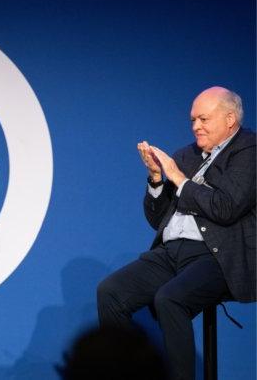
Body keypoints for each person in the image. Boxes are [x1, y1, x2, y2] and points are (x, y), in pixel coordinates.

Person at [97, 86, 255, 380]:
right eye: (193, 120)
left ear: (230, 119)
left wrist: (180, 180)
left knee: (170, 299)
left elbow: (227, 207)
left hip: (216, 256)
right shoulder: (187, 154)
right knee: (110, 292)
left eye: (203, 119)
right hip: (171, 252)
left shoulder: (249, 151)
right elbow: (158, 219)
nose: (196, 126)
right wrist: (157, 180)